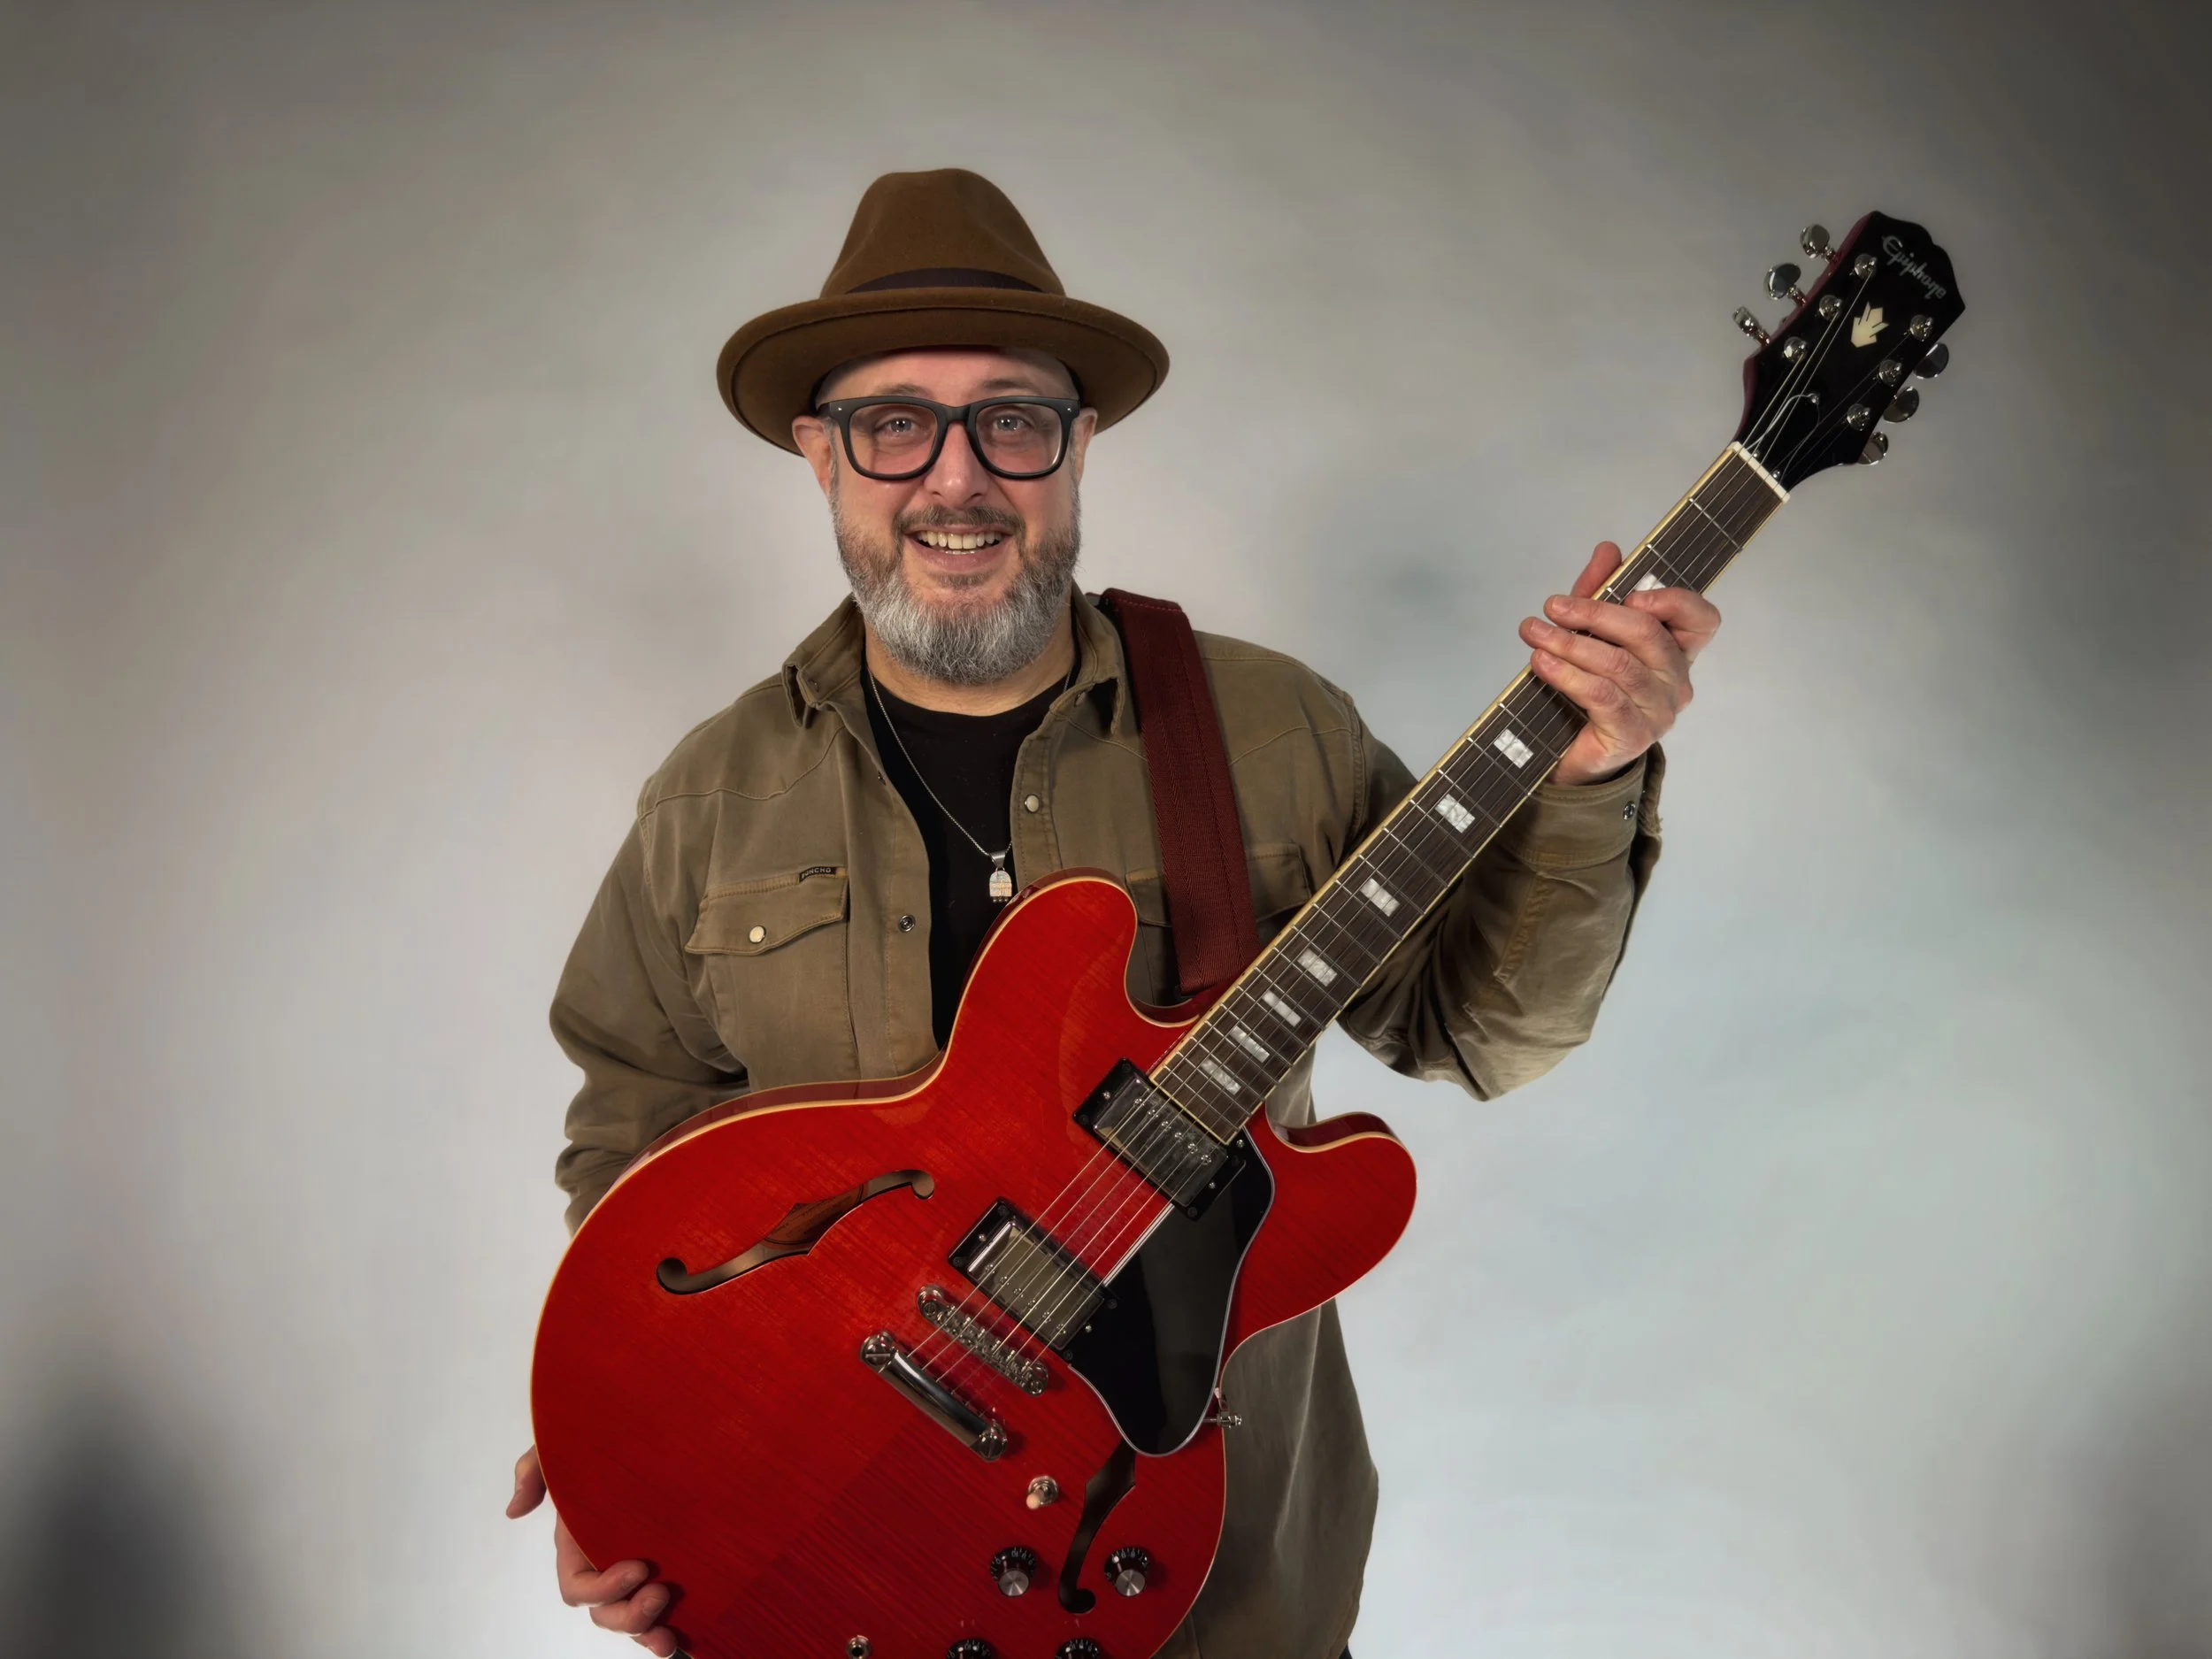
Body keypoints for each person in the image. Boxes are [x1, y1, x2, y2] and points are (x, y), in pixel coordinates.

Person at [505, 167, 1719, 1659]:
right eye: (896, 422)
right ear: (821, 455)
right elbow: (638, 1131)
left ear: (1079, 448)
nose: (958, 480)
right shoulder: (712, 796)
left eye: (1013, 418)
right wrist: (628, 1439)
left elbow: (1482, 1033)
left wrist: (1593, 773)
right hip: (832, 1545)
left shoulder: (1268, 730)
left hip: (1210, 1574)